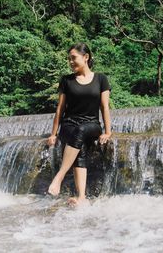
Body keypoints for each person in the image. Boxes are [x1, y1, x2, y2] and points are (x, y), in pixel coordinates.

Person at [47, 42, 112, 206]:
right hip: (69, 124)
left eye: (73, 58)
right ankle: (81, 197)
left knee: (81, 130)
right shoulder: (66, 81)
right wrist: (53, 134)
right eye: (69, 59)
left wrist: (108, 131)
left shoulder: (101, 79)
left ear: (86, 57)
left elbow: (104, 107)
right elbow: (60, 109)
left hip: (92, 124)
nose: (70, 62)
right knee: (79, 140)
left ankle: (59, 177)